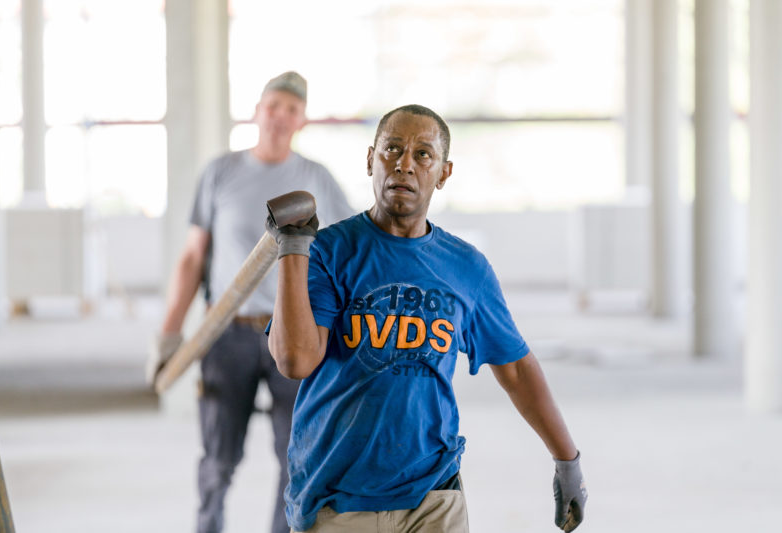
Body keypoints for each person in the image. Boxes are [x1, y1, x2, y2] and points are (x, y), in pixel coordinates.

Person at [266, 104, 588, 532]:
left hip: (433, 493)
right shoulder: (328, 251)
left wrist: (568, 461)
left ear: (444, 171)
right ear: (370, 160)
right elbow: (295, 361)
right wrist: (293, 249)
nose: (404, 164)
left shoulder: (466, 267)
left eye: (423, 154)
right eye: (392, 149)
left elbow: (515, 367)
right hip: (338, 497)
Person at [147, 71, 354, 533]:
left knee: (297, 456)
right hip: (228, 334)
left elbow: (350, 254)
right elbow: (192, 258)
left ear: (302, 121)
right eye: (273, 106)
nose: (281, 116)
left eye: (292, 110)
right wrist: (169, 335)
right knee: (219, 459)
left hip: (294, 336)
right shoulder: (220, 172)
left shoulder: (316, 178)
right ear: (257, 111)